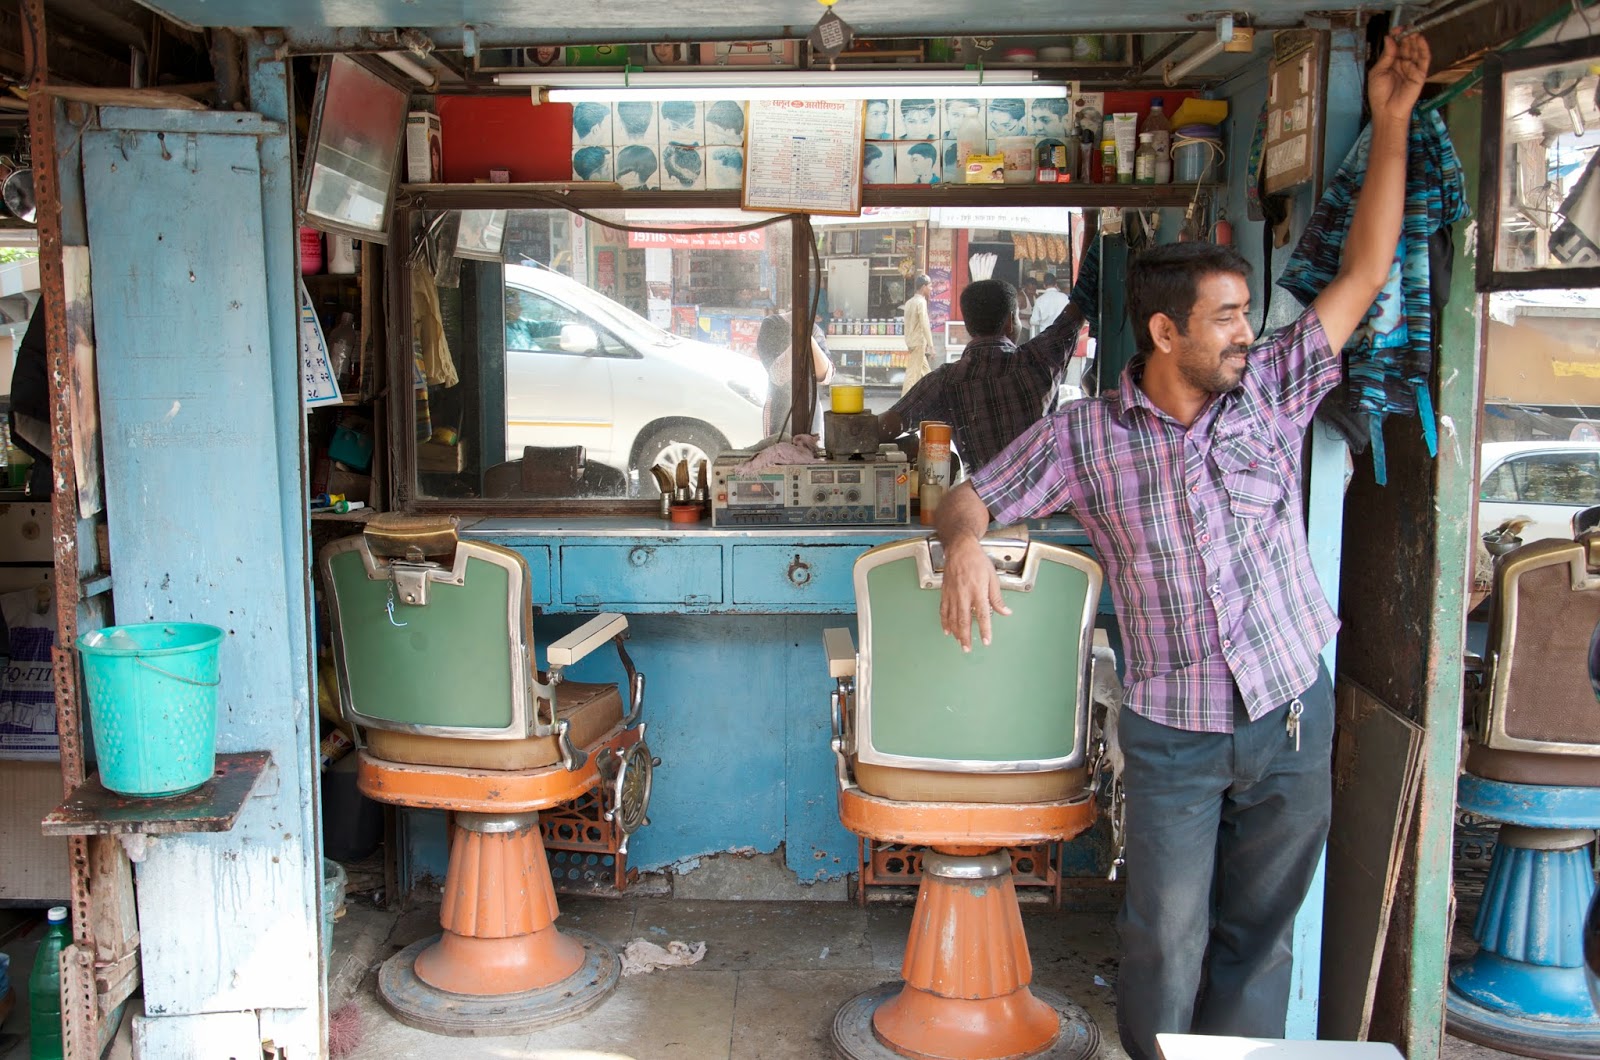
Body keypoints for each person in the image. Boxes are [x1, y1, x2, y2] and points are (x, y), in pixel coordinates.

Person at [930, 30, 1430, 1060]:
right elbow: (968, 498)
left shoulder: (1273, 391)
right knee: (1166, 937)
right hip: (1174, 732)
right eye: (1228, 318)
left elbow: (1367, 269)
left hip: (1290, 711)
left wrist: (1389, 121)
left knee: (1259, 937)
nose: (1248, 332)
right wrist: (967, 545)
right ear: (1165, 334)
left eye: (1248, 315)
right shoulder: (1085, 437)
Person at [879, 277, 1085, 473]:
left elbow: (884, 426)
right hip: (1043, 496)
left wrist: (908, 447)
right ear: (1010, 322)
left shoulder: (945, 380)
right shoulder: (1038, 359)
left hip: (981, 496)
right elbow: (1078, 308)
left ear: (968, 326)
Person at [756, 313, 833, 438]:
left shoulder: (814, 329)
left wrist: (809, 340)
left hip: (810, 409)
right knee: (780, 448)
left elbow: (826, 376)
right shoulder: (772, 324)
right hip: (779, 409)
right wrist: (800, 338)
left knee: (810, 448)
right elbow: (777, 375)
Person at [900, 275, 934, 395]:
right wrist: (931, 345)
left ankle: (935, 395)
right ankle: (904, 401)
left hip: (911, 341)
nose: (931, 289)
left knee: (927, 373)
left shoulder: (909, 302)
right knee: (912, 375)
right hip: (918, 342)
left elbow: (907, 324)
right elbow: (925, 324)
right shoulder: (921, 302)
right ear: (924, 287)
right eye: (930, 286)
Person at [1015, 276, 1038, 342]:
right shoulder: (1020, 297)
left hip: (1032, 328)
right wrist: (1031, 316)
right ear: (1025, 287)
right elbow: (1014, 315)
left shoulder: (1035, 296)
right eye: (1030, 289)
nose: (1032, 292)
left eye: (1034, 290)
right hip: (1022, 329)